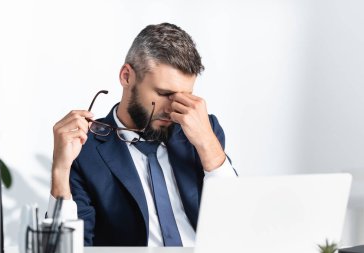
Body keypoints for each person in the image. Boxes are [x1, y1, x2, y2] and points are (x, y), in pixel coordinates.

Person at [47, 22, 237, 247]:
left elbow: (236, 228)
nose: (173, 108)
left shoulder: (203, 130)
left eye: (185, 96)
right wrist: (60, 169)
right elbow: (68, 248)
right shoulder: (84, 148)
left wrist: (207, 144)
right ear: (127, 76)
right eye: (164, 93)